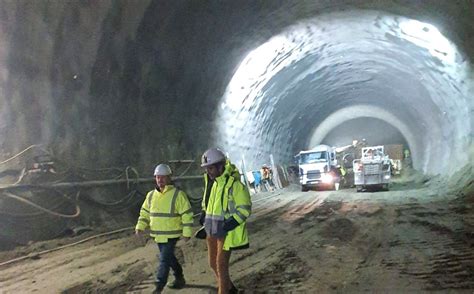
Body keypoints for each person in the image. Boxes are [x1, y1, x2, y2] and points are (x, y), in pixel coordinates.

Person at [135, 163, 193, 294]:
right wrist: (140, 226)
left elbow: (187, 214)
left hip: (172, 235)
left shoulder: (178, 195)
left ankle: (158, 286)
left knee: (164, 260)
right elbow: (144, 212)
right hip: (158, 235)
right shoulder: (151, 195)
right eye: (157, 177)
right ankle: (179, 277)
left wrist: (187, 232)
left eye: (163, 177)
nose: (160, 180)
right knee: (169, 257)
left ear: (169, 178)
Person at [200, 148, 252, 294]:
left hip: (225, 233)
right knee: (212, 263)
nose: (208, 172)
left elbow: (244, 209)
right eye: (206, 169)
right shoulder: (214, 184)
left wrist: (229, 225)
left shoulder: (235, 185)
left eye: (210, 168)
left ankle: (224, 291)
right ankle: (230, 289)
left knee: (221, 265)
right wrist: (204, 213)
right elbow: (209, 203)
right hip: (211, 230)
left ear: (220, 166)